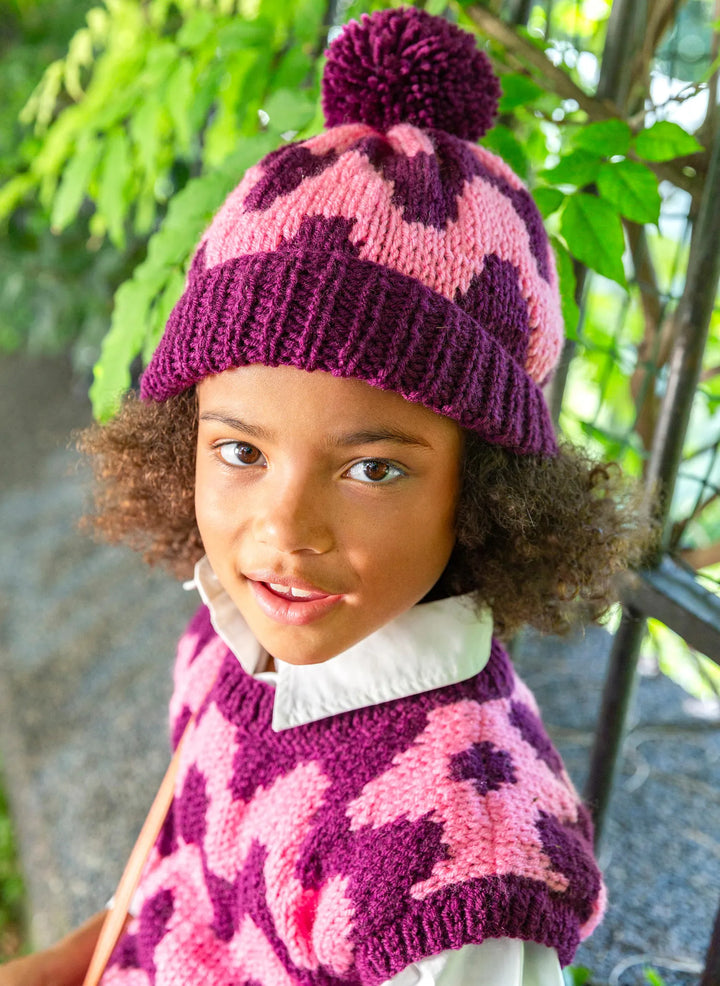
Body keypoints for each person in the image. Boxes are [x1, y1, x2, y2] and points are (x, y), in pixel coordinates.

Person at [0, 7, 653, 985]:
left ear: (486, 489)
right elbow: (173, 886)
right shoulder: (230, 646)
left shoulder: (457, 871)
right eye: (239, 450)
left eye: (373, 467)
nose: (282, 529)